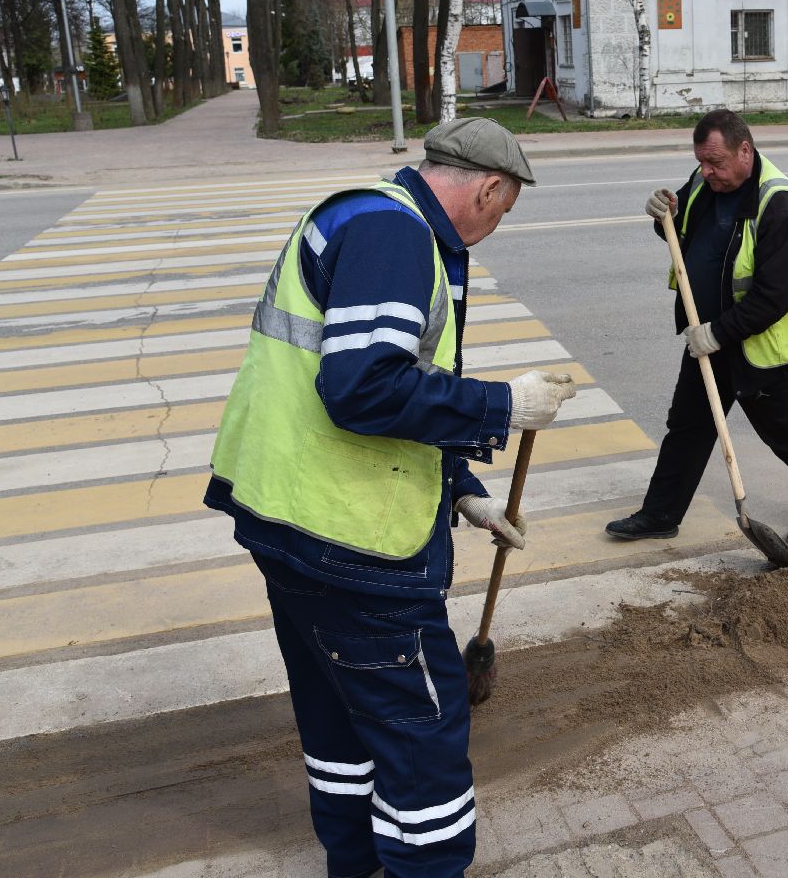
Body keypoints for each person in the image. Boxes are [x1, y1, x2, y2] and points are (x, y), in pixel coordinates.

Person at [204, 118, 577, 878]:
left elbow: (381, 382)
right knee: (424, 737)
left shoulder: (362, 212)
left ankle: (357, 862)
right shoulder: (397, 237)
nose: (493, 228)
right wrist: (501, 406)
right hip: (355, 547)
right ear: (490, 188)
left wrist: (463, 490)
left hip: (290, 523)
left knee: (339, 720)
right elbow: (364, 389)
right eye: (501, 213)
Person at [605, 109, 788, 547]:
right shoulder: (704, 182)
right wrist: (660, 213)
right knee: (688, 425)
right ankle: (660, 513)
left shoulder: (780, 204)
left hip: (755, 342)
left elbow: (774, 296)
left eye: (715, 162)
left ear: (744, 150)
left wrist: (717, 335)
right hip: (707, 334)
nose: (706, 171)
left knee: (784, 429)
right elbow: (678, 234)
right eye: (701, 161)